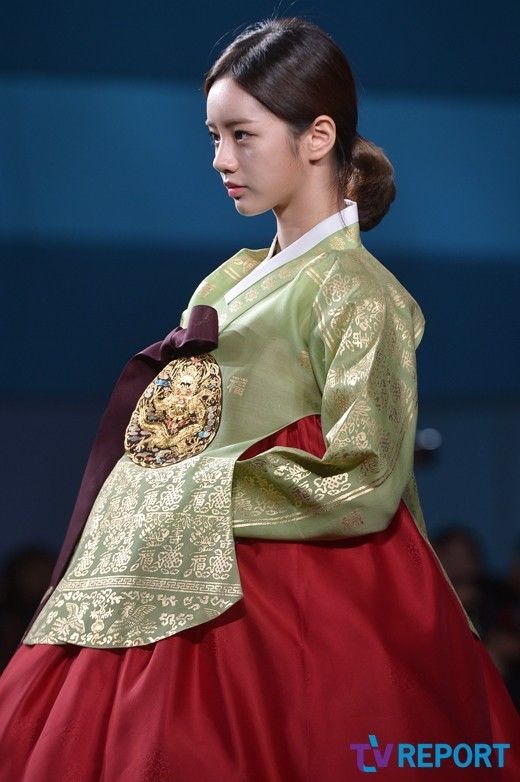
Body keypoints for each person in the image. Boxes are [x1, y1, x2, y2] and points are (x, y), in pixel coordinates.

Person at [0, 15, 519, 782]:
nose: (220, 159)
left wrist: (199, 493)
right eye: (214, 137)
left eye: (242, 136)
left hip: (292, 602)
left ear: (318, 136)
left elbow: (367, 476)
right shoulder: (225, 280)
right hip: (165, 581)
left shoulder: (360, 293)